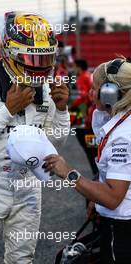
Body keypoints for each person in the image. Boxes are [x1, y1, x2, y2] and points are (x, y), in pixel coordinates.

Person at [0, 12, 70, 264]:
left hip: (29, 187)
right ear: (10, 53)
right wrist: (7, 110)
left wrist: (62, 111)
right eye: (33, 58)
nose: (41, 66)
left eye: (46, 58)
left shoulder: (47, 88)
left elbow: (54, 144)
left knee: (22, 259)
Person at [43, 58, 131, 264]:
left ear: (110, 93)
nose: (91, 92)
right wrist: (95, 196)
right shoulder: (117, 120)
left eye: (95, 87)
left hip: (122, 228)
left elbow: (112, 197)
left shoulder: (124, 137)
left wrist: (68, 173)